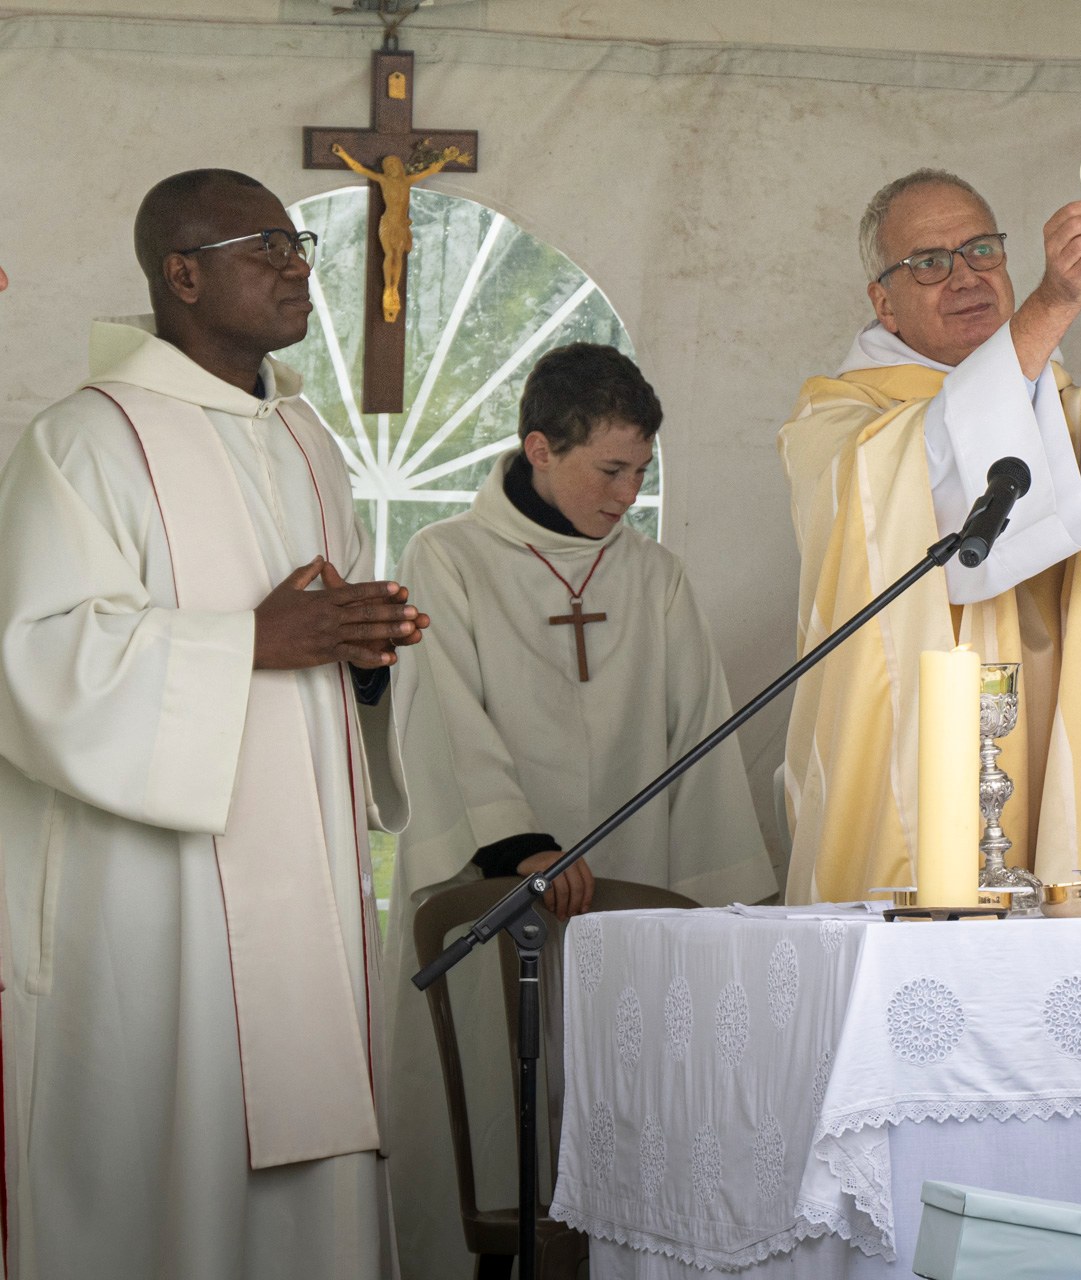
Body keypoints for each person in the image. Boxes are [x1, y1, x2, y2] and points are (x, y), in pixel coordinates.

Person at [0, 168, 423, 1279]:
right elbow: (37, 659)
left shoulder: (307, 437)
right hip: (162, 899)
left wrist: (364, 655)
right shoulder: (84, 442)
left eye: (298, 245)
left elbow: (320, 632)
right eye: (263, 246)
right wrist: (249, 641)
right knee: (180, 1154)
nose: (296, 265)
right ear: (180, 274)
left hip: (308, 886)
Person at [384, 342, 776, 1279]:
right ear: (539, 448)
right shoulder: (448, 559)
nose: (627, 495)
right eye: (610, 470)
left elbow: (702, 741)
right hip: (499, 889)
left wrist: (712, 906)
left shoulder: (655, 575)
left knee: (626, 1122)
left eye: (641, 472)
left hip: (629, 897)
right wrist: (522, 847)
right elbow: (441, 710)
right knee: (499, 1118)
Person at [778, 169, 1081, 903]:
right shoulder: (836, 421)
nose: (966, 277)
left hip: (1054, 743)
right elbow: (929, 469)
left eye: (982, 250)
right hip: (912, 769)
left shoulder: (1063, 399)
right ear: (884, 303)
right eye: (930, 262)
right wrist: (1053, 301)